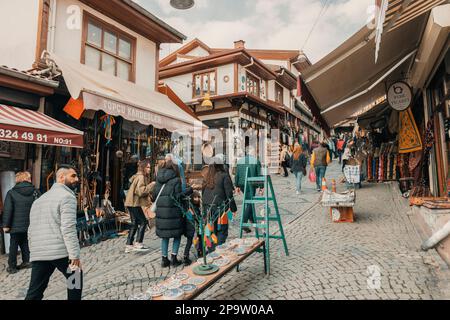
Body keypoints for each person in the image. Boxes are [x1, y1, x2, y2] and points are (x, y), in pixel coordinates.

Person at [25, 166, 82, 300]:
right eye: (73, 176)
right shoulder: (67, 197)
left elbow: (31, 229)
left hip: (40, 252)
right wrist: (74, 254)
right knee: (75, 278)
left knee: (35, 292)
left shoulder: (39, 200)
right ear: (61, 177)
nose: (77, 179)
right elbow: (68, 227)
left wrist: (33, 250)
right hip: (59, 250)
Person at [153, 159, 190, 268]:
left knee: (165, 236)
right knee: (177, 235)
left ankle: (164, 260)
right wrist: (189, 191)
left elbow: (155, 195)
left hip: (162, 213)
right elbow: (178, 197)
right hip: (173, 212)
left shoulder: (158, 179)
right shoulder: (176, 180)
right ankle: (174, 258)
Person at [2, 172, 40, 274]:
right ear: (27, 179)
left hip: (15, 226)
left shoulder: (11, 193)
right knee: (25, 242)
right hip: (30, 224)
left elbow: (8, 210)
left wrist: (6, 225)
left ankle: (12, 267)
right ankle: (27, 261)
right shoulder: (35, 191)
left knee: (14, 244)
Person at [202, 157, 237, 247]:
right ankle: (218, 250)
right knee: (221, 231)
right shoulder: (224, 175)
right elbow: (229, 194)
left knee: (209, 231)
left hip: (207, 208)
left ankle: (211, 251)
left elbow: (203, 193)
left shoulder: (206, 176)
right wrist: (233, 209)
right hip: (219, 208)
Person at [124, 160, 154, 253]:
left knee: (134, 223)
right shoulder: (141, 177)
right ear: (143, 168)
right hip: (134, 203)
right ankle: (138, 243)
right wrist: (151, 185)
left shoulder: (137, 176)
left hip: (130, 202)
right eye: (148, 167)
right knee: (143, 222)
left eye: (150, 167)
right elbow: (141, 191)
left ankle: (129, 244)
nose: (149, 169)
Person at [234, 146, 262, 234]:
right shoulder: (256, 161)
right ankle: (244, 222)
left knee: (249, 201)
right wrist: (261, 187)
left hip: (242, 184)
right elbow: (259, 174)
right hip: (251, 184)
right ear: (252, 152)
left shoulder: (240, 161)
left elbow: (237, 174)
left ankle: (252, 220)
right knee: (250, 202)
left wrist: (237, 185)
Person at [183, 190, 201, 266]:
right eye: (195, 197)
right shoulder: (192, 206)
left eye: (198, 197)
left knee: (190, 241)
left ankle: (185, 255)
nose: (197, 199)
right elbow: (196, 217)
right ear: (192, 198)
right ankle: (199, 253)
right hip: (192, 227)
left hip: (190, 227)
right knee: (195, 240)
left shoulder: (190, 205)